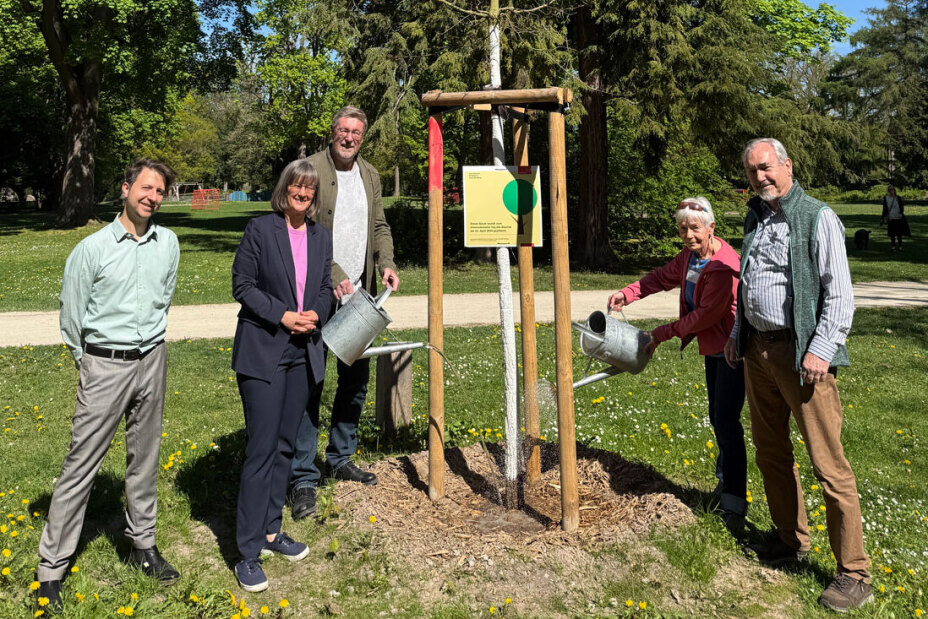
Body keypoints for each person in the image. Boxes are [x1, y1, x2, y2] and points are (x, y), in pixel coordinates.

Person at [724, 138, 871, 612]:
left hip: (802, 357)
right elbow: (748, 283)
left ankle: (854, 572)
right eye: (752, 172)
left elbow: (839, 293)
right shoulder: (756, 217)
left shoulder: (817, 216)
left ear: (787, 165)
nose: (759, 178)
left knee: (829, 466)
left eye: (766, 168)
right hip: (757, 352)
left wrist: (820, 350)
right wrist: (736, 333)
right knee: (771, 453)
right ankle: (791, 539)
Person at [37, 159, 181, 612]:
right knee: (82, 463)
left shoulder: (168, 243)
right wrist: (91, 365)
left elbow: (165, 298)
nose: (152, 197)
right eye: (145, 187)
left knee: (145, 460)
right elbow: (71, 317)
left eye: (159, 191)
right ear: (125, 190)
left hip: (152, 361)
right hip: (104, 366)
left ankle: (143, 546)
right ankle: (50, 572)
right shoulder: (92, 249)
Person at [607, 196, 747, 531]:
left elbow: (704, 316)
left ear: (712, 227)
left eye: (695, 228)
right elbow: (660, 277)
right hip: (714, 348)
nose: (688, 234)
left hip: (733, 349)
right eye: (683, 229)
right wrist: (627, 293)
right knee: (719, 417)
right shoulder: (690, 259)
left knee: (726, 422)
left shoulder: (723, 266)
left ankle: (734, 503)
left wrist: (660, 334)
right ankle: (725, 483)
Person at [288, 105, 399, 520]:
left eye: (356, 132)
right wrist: (333, 271)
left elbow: (380, 225)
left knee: (354, 377)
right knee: (310, 380)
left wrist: (385, 261)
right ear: (332, 132)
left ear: (362, 137)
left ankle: (340, 456)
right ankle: (302, 477)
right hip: (319, 290)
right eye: (343, 130)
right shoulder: (312, 169)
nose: (349, 137)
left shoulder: (370, 174)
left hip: (361, 294)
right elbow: (305, 225)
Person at [230, 159, 333, 592]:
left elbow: (326, 287)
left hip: (303, 352)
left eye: (310, 188)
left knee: (287, 446)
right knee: (262, 449)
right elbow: (243, 285)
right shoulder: (260, 230)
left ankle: (272, 532)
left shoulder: (320, 236)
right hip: (264, 351)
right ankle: (247, 551)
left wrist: (317, 312)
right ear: (285, 189)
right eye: (297, 185)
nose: (303, 193)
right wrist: (284, 315)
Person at [881, 185, 909, 252]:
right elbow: (884, 209)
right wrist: (883, 217)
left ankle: (900, 246)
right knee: (892, 234)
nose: (891, 191)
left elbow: (902, 207)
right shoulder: (886, 198)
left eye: (892, 189)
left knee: (899, 233)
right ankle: (893, 247)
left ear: (894, 190)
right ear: (888, 191)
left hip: (898, 217)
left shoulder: (898, 198)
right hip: (891, 218)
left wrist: (901, 213)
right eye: (889, 190)